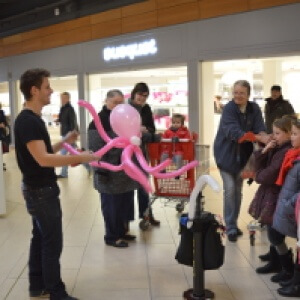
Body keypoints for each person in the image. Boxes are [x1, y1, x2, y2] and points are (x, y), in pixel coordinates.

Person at [15, 68, 98, 300]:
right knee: (52, 243)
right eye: (47, 87)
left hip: (37, 189)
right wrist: (80, 158)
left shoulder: (30, 120)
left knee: (40, 238)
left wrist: (65, 141)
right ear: (34, 90)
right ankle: (55, 291)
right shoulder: (28, 121)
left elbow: (42, 153)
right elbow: (43, 160)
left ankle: (37, 285)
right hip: (41, 192)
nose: (51, 91)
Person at [213, 80, 269, 242]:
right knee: (230, 189)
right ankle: (230, 226)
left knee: (237, 190)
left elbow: (260, 127)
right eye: (235, 92)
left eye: (241, 93)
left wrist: (266, 137)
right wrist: (256, 137)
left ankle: (233, 224)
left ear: (248, 95)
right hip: (225, 155)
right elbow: (234, 131)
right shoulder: (229, 109)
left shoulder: (254, 108)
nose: (238, 96)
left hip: (242, 158)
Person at [88, 89, 139, 248]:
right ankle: (111, 236)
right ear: (106, 101)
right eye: (115, 102)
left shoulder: (125, 117)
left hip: (126, 171)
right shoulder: (98, 121)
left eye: (120, 102)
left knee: (125, 203)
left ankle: (122, 231)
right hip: (109, 172)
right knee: (111, 206)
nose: (118, 106)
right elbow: (96, 150)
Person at [248, 116, 293, 277]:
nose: (273, 137)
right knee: (270, 225)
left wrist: (257, 175)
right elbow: (258, 165)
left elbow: (265, 175)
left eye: (278, 133)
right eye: (273, 133)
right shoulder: (277, 148)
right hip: (271, 193)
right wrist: (265, 150)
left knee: (275, 232)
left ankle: (286, 266)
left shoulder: (284, 152)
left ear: (289, 134)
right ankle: (275, 258)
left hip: (277, 194)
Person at [271, 119, 300, 297]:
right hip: (290, 206)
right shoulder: (293, 156)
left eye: (295, 134)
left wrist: (289, 203)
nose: (292, 137)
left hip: (293, 208)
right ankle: (294, 280)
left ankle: (296, 282)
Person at [129, 82, 160, 226]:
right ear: (134, 93)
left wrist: (144, 130)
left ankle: (146, 215)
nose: (142, 99)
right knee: (128, 188)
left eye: (145, 96)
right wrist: (139, 130)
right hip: (127, 154)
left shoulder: (146, 109)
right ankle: (125, 222)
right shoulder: (125, 108)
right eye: (140, 95)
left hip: (142, 152)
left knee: (143, 184)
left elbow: (152, 129)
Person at [57, 92, 78, 178]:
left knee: (63, 154)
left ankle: (64, 173)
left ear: (68, 99)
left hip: (68, 134)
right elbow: (62, 119)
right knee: (76, 154)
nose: (62, 100)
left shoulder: (70, 108)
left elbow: (73, 121)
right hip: (65, 133)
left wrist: (72, 133)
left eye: (63, 98)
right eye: (61, 98)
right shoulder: (63, 108)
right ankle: (88, 166)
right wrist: (58, 120)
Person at [0, 102, 9, 170]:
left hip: (1, 133)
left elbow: (5, 123)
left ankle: (1, 162)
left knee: (1, 148)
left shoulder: (1, 112)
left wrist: (4, 125)